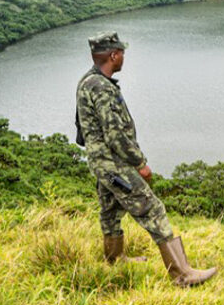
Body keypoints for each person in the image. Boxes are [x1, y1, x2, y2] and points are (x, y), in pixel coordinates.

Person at [75, 30, 216, 287]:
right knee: (152, 209)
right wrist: (139, 163)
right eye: (122, 53)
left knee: (110, 210)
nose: (124, 57)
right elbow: (116, 134)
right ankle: (182, 274)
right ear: (113, 55)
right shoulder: (102, 88)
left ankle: (115, 260)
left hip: (100, 163)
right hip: (114, 164)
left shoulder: (88, 81)